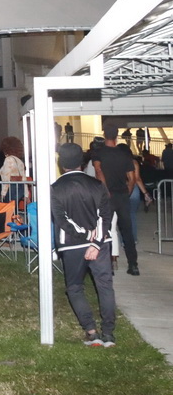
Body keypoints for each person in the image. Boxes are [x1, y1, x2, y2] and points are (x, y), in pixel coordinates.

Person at [53, 142, 116, 346]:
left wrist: (85, 235)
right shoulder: (97, 185)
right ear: (82, 161)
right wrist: (95, 242)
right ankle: (108, 333)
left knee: (74, 287)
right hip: (100, 242)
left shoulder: (55, 188)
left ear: (61, 163)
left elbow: (62, 220)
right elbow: (105, 216)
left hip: (72, 244)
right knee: (105, 286)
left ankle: (91, 331)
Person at [92, 126, 140, 276]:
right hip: (122, 195)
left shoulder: (98, 153)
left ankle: (108, 264)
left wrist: (105, 190)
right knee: (127, 231)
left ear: (104, 134)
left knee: (105, 230)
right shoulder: (124, 154)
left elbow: (98, 170)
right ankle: (133, 265)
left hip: (108, 196)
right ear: (117, 136)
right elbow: (132, 178)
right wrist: (127, 192)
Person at [0, 136, 27, 203]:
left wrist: (3, 193)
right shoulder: (20, 161)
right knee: (15, 207)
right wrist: (26, 194)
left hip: (11, 188)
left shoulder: (8, 160)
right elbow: (23, 178)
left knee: (9, 208)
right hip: (20, 188)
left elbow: (6, 178)